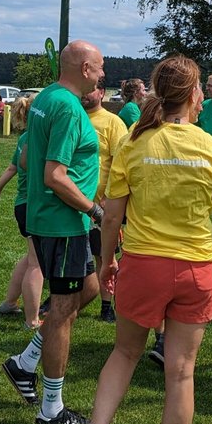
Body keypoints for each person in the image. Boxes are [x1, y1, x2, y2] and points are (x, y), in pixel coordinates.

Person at [65, 55, 212, 424]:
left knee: (124, 353)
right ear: (193, 95)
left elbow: (111, 218)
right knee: (181, 372)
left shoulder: (134, 144)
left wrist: (107, 261)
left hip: (143, 263)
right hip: (195, 269)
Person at [1, 40, 104, 424]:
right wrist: (95, 210)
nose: (103, 74)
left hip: (55, 220)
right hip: (64, 224)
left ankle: (25, 362)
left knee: (89, 289)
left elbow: (29, 158)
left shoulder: (47, 96)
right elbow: (55, 176)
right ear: (84, 69)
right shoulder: (67, 107)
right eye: (100, 66)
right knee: (62, 312)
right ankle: (52, 408)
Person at [0, 95, 45, 330]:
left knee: (31, 257)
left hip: (22, 205)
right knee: (37, 264)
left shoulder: (24, 137)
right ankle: (32, 320)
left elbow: (13, 167)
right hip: (35, 205)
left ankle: (9, 303)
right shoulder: (39, 138)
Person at [82, 83, 128, 323]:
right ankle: (64, 297)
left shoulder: (113, 122)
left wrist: (109, 196)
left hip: (100, 204)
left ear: (101, 93)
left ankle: (107, 305)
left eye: (91, 90)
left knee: (104, 254)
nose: (85, 94)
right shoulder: (75, 117)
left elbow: (121, 162)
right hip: (73, 200)